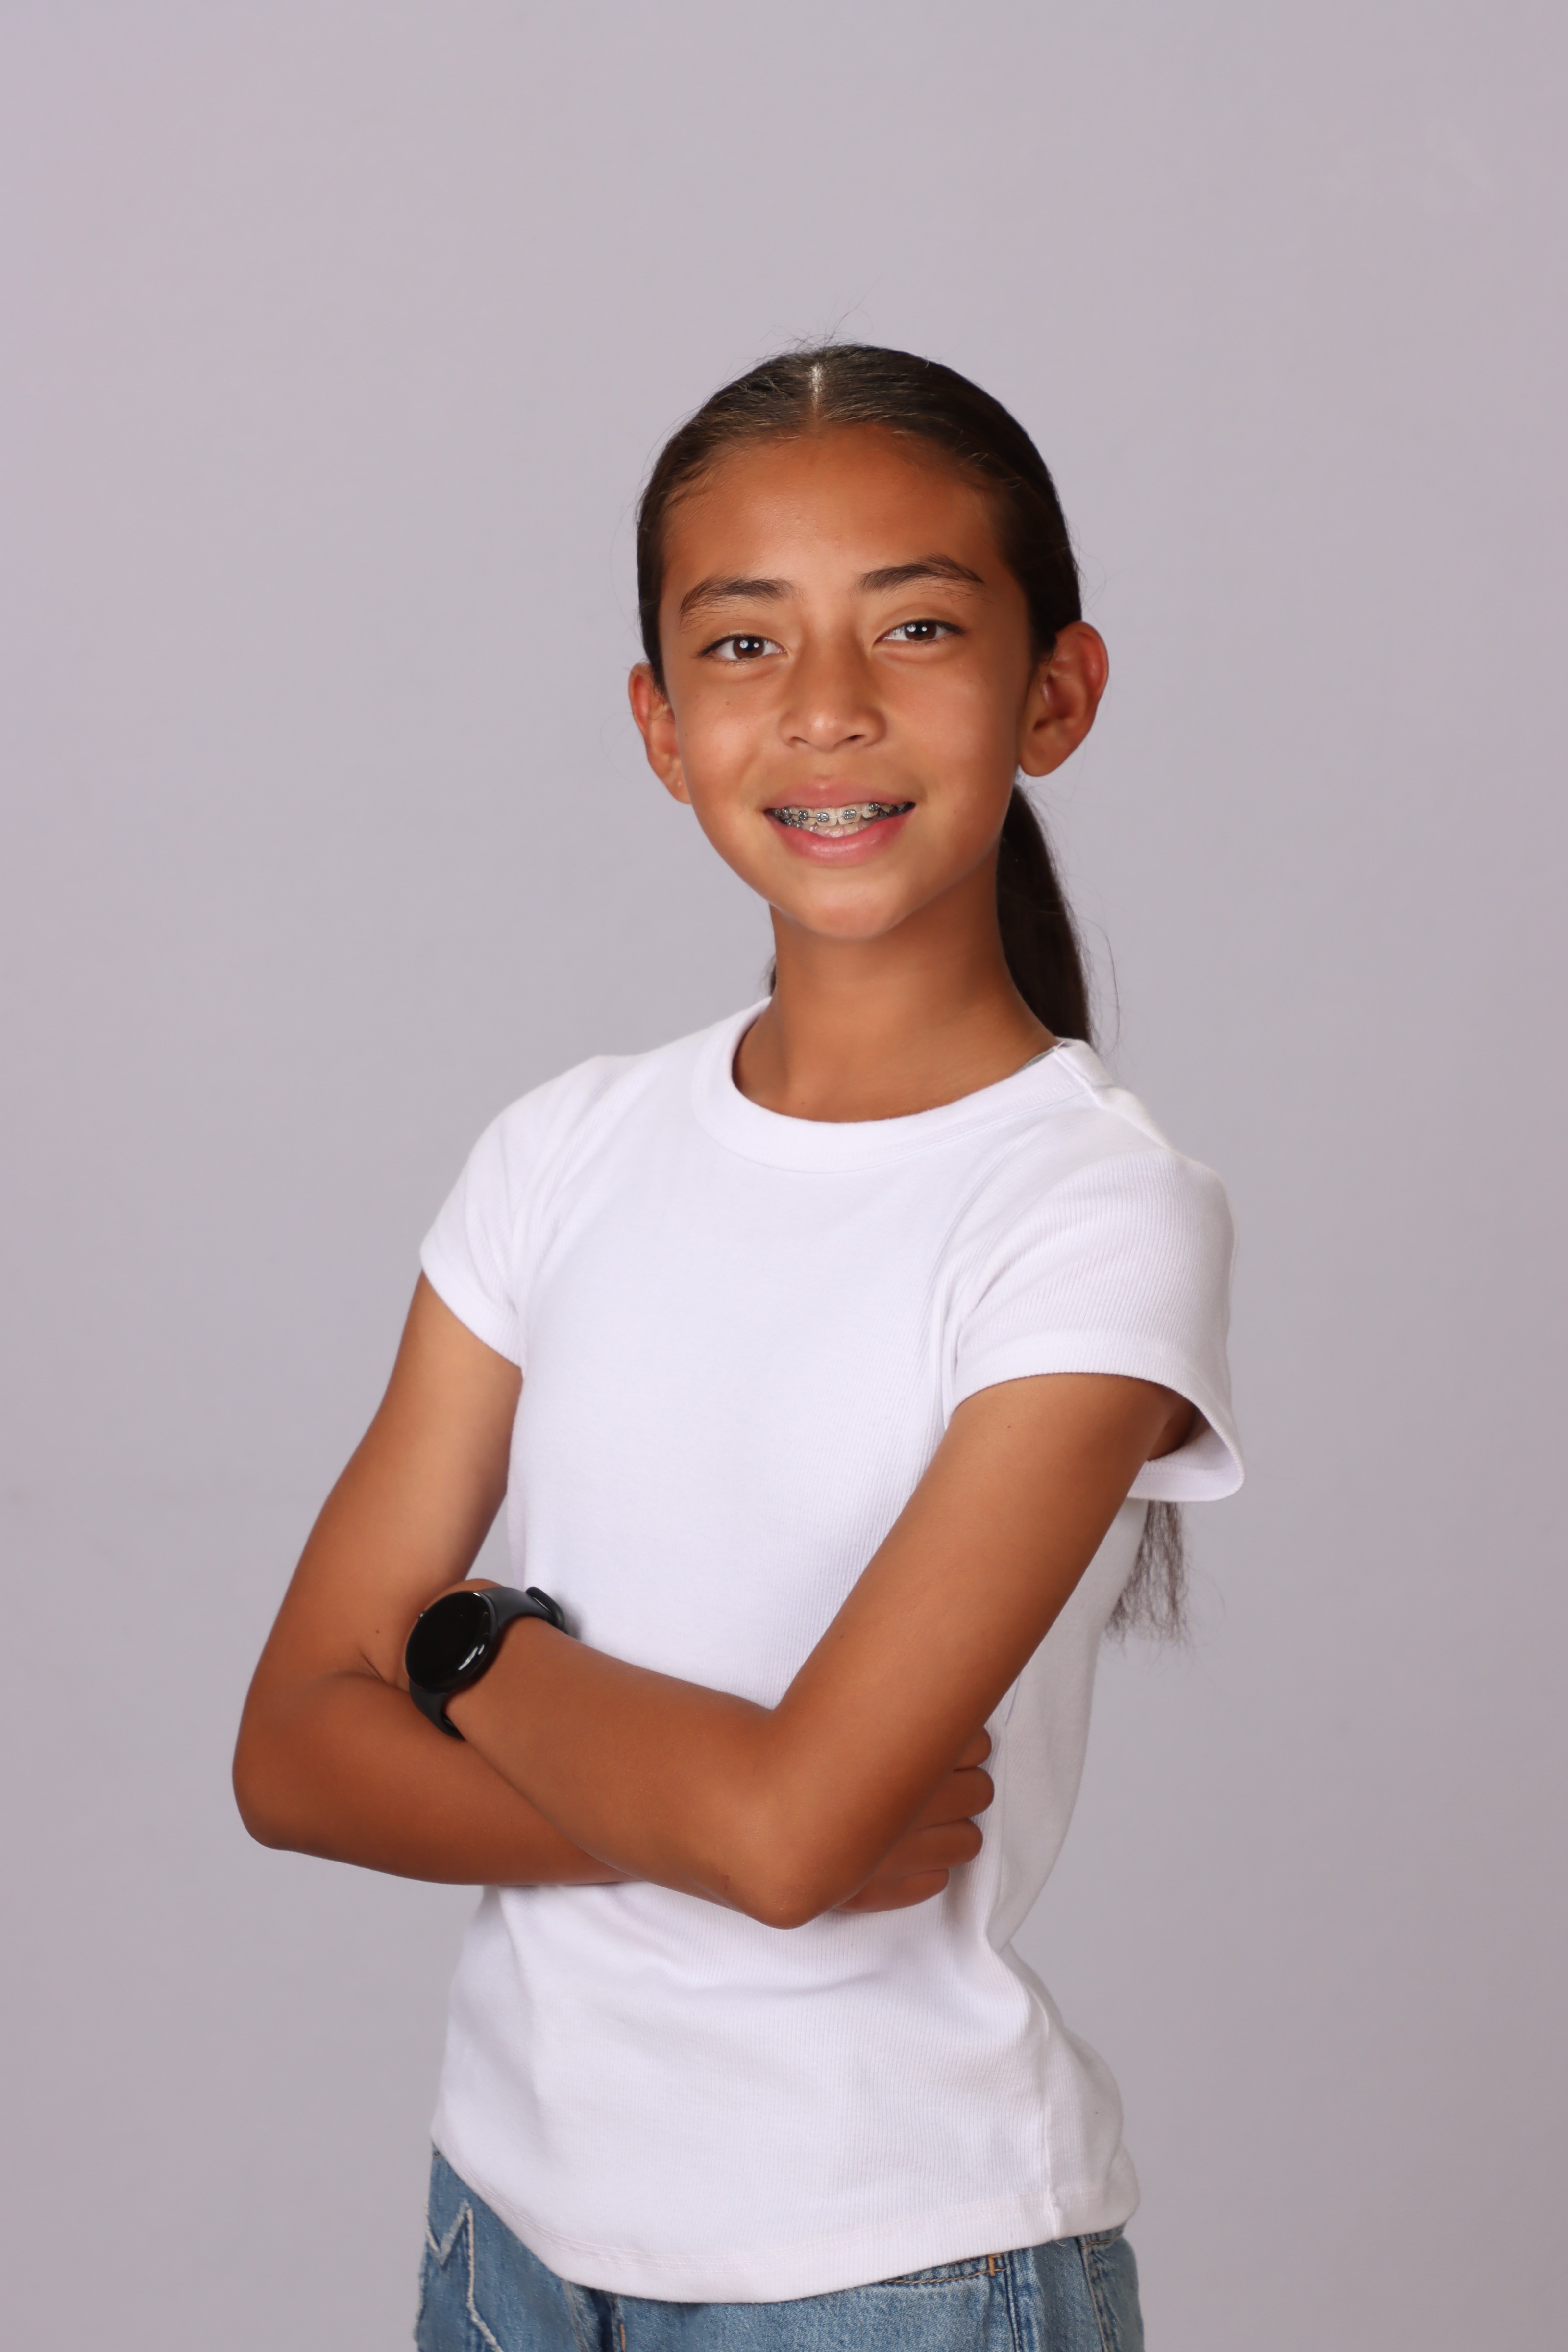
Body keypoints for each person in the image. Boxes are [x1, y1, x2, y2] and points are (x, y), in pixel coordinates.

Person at [234, 343, 1241, 2352]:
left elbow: (791, 1841)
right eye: (742, 643)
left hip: (891, 2271)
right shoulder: (562, 1150)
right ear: (659, 723)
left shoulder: (1092, 1213)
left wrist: (464, 1651)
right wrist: (713, 1808)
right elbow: (287, 1755)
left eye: (917, 627)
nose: (825, 707)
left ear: (1055, 691)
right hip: (505, 2233)